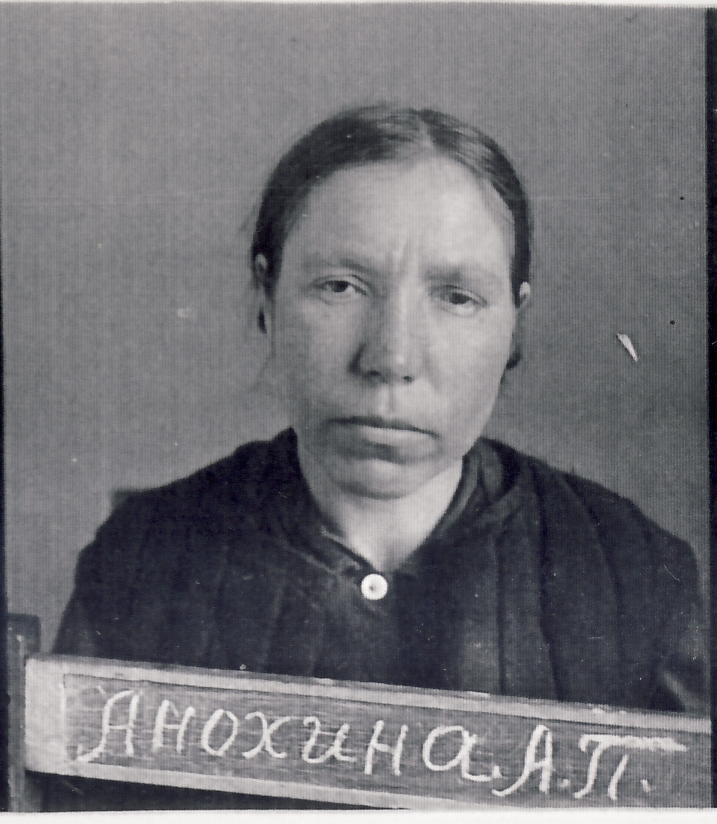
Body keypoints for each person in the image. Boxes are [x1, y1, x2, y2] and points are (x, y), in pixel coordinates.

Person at [51, 104, 709, 809]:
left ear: (514, 325)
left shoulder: (634, 573)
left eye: (457, 297)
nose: (391, 357)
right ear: (267, 296)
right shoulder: (142, 559)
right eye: (340, 286)